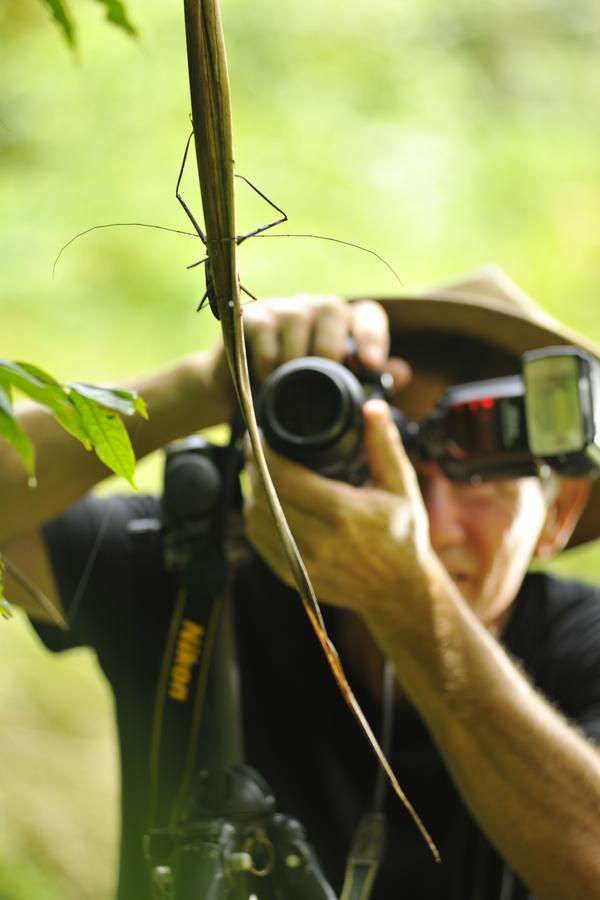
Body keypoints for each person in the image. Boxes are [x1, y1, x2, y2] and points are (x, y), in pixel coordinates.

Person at [2, 263, 600, 899]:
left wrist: (407, 600)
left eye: (479, 473)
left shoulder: (582, 642)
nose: (424, 517)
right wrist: (208, 384)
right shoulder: (207, 568)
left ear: (558, 516)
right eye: (385, 454)